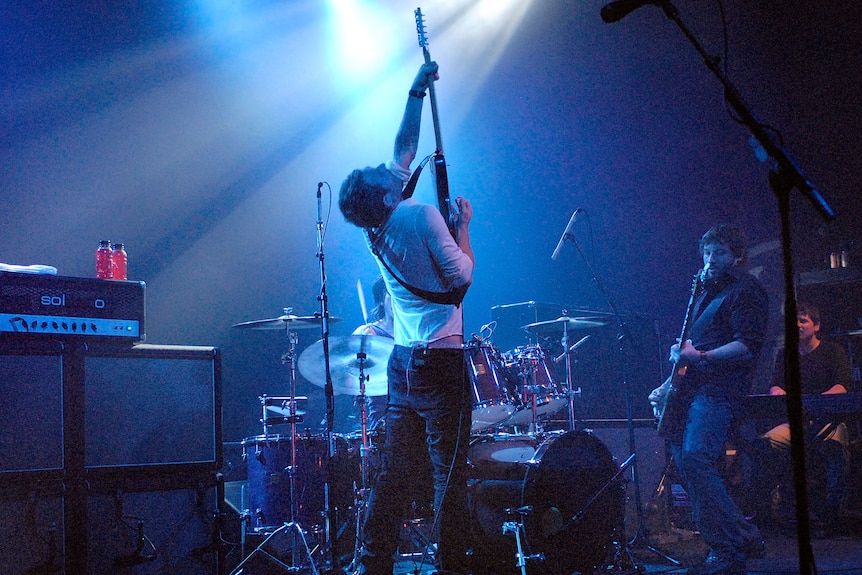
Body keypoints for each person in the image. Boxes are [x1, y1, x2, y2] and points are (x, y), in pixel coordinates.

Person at [338, 61, 475, 575]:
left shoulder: (375, 227)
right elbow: (461, 279)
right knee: (448, 476)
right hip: (440, 361)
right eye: (380, 176)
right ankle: (453, 567)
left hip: (403, 364)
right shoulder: (418, 215)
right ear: (384, 195)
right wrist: (464, 226)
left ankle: (372, 564)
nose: (385, 168)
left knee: (392, 475)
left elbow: (402, 153)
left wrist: (415, 94)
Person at [649, 224, 768, 575]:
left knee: (697, 458)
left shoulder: (746, 289)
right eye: (707, 253)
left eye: (719, 253)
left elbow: (746, 345)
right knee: (686, 463)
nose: (711, 259)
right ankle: (743, 533)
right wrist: (666, 383)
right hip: (691, 391)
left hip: (719, 393)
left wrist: (699, 357)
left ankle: (728, 549)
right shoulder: (704, 294)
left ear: (737, 256)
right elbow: (691, 350)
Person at [756, 302, 852, 534]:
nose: (797, 325)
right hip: (795, 422)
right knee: (765, 444)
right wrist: (777, 391)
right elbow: (775, 385)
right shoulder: (785, 355)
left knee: (835, 450)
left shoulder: (832, 351)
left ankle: (832, 515)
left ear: (816, 326)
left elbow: (842, 386)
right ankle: (767, 511)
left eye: (803, 320)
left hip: (828, 421)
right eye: (794, 321)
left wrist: (814, 403)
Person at [352, 275, 394, 432]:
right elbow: (348, 375)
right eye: (392, 293)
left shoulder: (415, 333)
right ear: (381, 301)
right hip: (381, 413)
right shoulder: (368, 332)